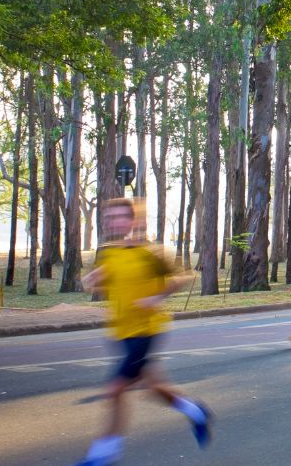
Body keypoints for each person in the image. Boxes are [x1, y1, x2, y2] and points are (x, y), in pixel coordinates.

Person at [76, 198, 211, 466]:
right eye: (110, 217)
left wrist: (155, 298)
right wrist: (91, 281)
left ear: (133, 220)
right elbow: (101, 283)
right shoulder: (108, 252)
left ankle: (104, 453)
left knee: (114, 390)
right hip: (120, 333)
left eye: (120, 216)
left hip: (145, 331)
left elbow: (181, 279)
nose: (114, 221)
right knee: (154, 387)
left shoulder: (150, 253)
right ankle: (196, 412)